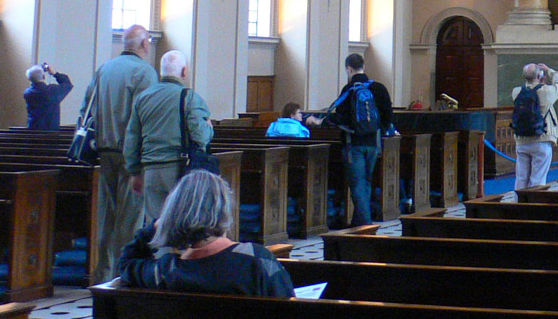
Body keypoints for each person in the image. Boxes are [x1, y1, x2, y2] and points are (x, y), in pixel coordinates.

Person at [116, 170, 293, 298]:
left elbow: (127, 263)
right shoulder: (256, 260)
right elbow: (287, 304)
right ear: (223, 210)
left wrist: (158, 226)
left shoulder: (164, 272)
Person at [80, 24, 157, 276]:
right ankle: (124, 276)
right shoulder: (144, 72)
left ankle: (102, 273)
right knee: (131, 219)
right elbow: (147, 118)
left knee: (107, 217)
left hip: (104, 150)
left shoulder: (105, 68)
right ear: (144, 44)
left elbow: (86, 109)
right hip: (131, 155)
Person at [124, 50, 213, 226]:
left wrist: (134, 171)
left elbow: (132, 138)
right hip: (178, 170)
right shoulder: (189, 97)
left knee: (156, 227)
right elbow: (201, 137)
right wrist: (209, 129)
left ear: (161, 71)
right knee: (183, 224)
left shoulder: (143, 98)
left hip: (150, 170)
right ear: (184, 71)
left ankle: (160, 254)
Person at [308, 53, 393, 226]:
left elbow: (340, 117)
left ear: (349, 68)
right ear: (364, 66)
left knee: (356, 185)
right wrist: (378, 131)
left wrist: (320, 122)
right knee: (367, 182)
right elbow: (388, 116)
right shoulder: (379, 88)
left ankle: (365, 225)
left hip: (353, 144)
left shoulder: (349, 90)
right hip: (374, 143)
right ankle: (359, 222)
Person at [510, 62, 558, 191]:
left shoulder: (516, 92)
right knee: (538, 178)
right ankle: (534, 204)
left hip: (521, 139)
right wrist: (549, 70)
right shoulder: (546, 92)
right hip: (541, 138)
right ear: (540, 75)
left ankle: (519, 204)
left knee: (521, 177)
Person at [23, 62, 72, 130]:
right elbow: (68, 84)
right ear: (44, 76)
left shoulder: (27, 93)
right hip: (51, 129)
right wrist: (55, 73)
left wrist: (37, 71)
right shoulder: (53, 91)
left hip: (33, 128)